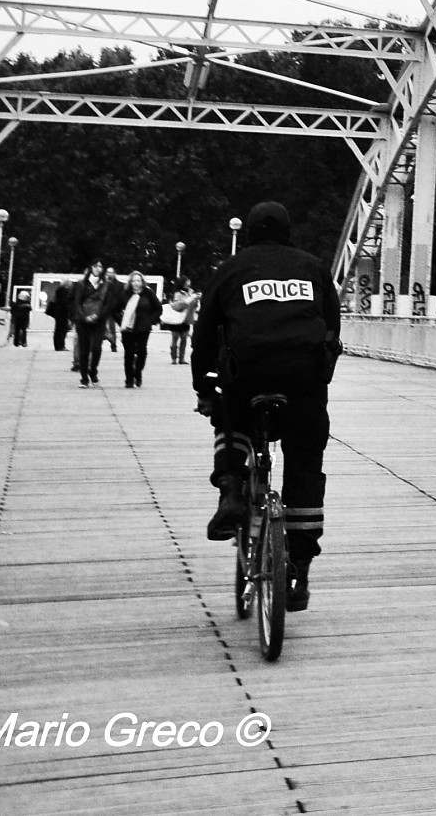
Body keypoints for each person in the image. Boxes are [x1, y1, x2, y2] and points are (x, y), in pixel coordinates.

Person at [193, 203, 341, 613]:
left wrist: (203, 389)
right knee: (305, 463)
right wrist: (319, 375)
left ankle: (231, 489)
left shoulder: (231, 269)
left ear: (252, 231)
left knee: (231, 413)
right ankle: (300, 568)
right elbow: (332, 327)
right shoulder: (312, 266)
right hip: (303, 378)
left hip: (248, 374)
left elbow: (204, 334)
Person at [70, 264, 113, 386]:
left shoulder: (107, 285)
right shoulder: (81, 284)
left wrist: (98, 316)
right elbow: (76, 302)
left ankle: (93, 370)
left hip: (99, 321)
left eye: (100, 266)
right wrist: (84, 317)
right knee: (84, 349)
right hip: (83, 321)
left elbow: (108, 304)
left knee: (96, 348)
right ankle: (84, 378)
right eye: (95, 266)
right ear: (91, 268)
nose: (97, 268)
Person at [118, 272, 160, 387]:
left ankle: (138, 372)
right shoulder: (124, 294)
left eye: (138, 281)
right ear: (130, 282)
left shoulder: (148, 293)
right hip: (128, 329)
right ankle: (129, 379)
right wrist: (121, 320)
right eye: (133, 281)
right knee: (129, 354)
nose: (136, 283)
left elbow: (158, 308)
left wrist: (151, 320)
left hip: (143, 328)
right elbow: (115, 309)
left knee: (142, 352)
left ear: (142, 282)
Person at [161, 286, 195, 364]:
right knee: (175, 338)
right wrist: (188, 300)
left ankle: (182, 358)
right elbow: (177, 305)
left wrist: (193, 297)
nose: (188, 284)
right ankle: (174, 358)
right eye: (187, 282)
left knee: (184, 339)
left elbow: (194, 306)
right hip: (176, 320)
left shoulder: (190, 293)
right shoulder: (177, 293)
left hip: (185, 319)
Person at [46, 277, 71, 353]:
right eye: (69, 283)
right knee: (61, 329)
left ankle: (58, 345)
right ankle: (60, 345)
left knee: (59, 329)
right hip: (62, 312)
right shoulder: (63, 290)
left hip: (59, 312)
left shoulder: (59, 290)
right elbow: (64, 302)